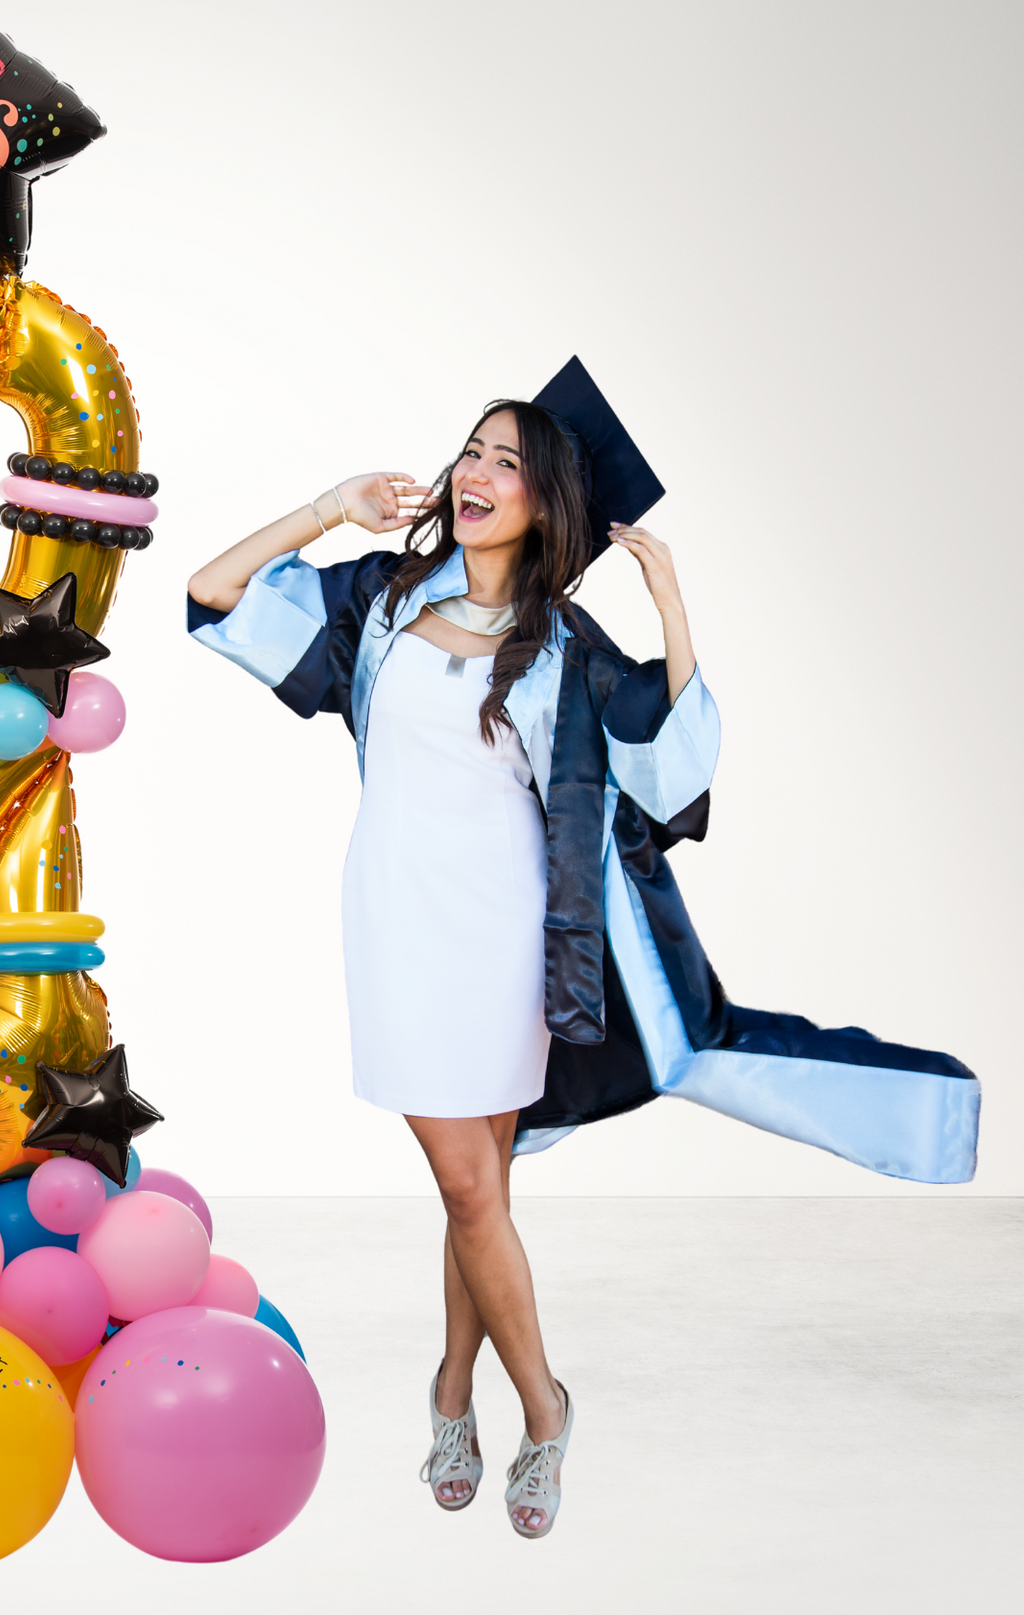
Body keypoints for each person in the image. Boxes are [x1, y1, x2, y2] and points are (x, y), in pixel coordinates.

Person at [186, 358, 979, 1541]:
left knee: (471, 1186)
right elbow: (210, 596)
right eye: (473, 450)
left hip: (507, 943)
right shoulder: (382, 601)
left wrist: (674, 616)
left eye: (509, 462)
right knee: (475, 1188)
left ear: (548, 504)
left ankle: (520, 1406)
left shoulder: (565, 645)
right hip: (400, 925)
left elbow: (674, 774)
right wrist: (324, 508)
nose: (478, 474)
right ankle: (486, 1395)